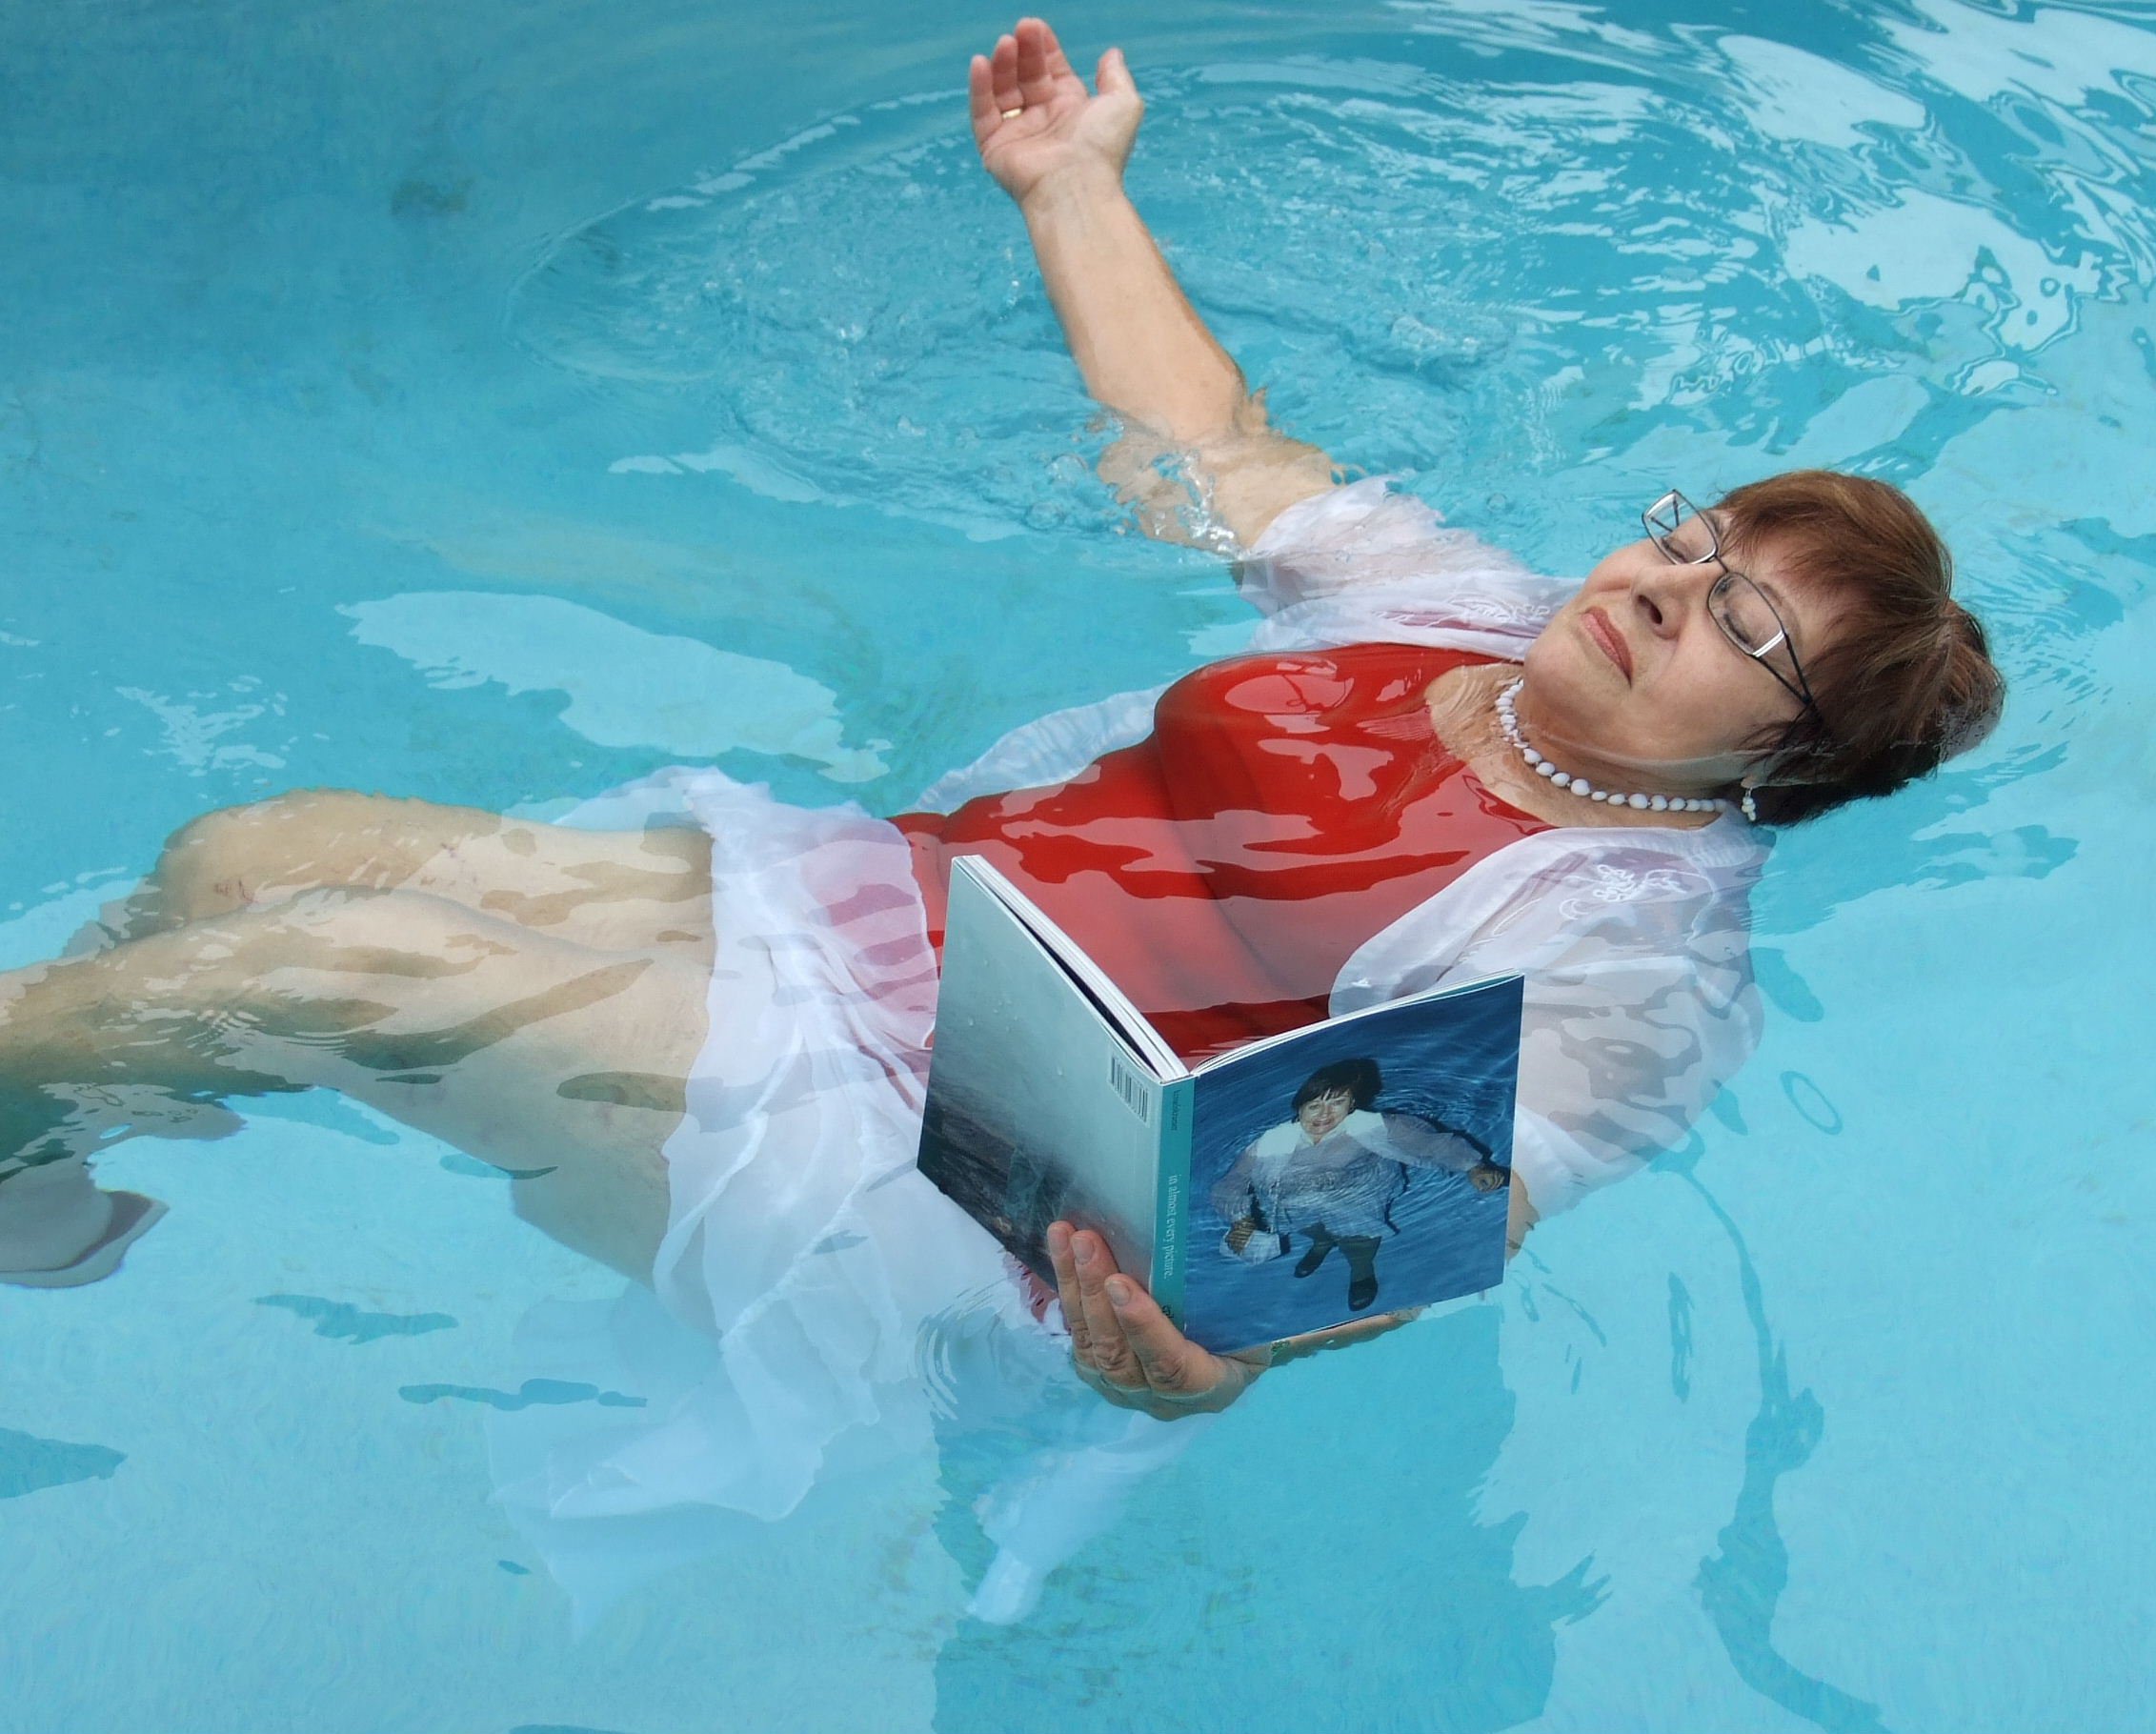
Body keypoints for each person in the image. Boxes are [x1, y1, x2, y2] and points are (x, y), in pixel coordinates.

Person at [0, 14, 2001, 1516]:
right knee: (248, 855)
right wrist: (1069, 190)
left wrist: (1200, 1367)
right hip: (858, 915)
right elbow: (1217, 443)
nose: (1663, 592)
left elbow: (1391, 1232)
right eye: (1692, 543)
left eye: (1743, 628)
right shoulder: (1458, 618)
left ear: (1783, 761)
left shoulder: (1629, 959)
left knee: (336, 972)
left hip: (929, 1184)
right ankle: (42, 1201)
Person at [1212, 1058, 1505, 1312]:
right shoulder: (1272, 1143)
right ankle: (1322, 1242)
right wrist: (1240, 1220)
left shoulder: (1371, 1127)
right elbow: (1232, 1182)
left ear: (1352, 1104)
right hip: (1301, 1196)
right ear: (1299, 1107)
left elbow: (1430, 1143)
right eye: (1314, 1105)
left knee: (1358, 1236)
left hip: (1359, 1187)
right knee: (1304, 1222)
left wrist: (1473, 1166)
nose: (1324, 1114)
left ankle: (1361, 1269)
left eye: (1337, 1103)